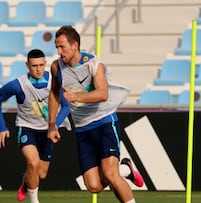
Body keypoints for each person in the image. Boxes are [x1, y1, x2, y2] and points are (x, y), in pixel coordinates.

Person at [47, 25, 144, 203]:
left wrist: (76, 96)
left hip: (104, 122)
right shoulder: (56, 67)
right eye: (57, 48)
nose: (59, 52)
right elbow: (53, 94)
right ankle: (126, 169)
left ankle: (121, 173)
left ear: (75, 45)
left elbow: (103, 94)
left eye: (62, 47)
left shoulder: (94, 64)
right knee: (94, 186)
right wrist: (52, 124)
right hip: (83, 129)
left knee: (110, 175)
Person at [0, 49, 70, 203]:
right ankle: (34, 200)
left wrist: (54, 126)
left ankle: (26, 181)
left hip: (47, 131)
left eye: (41, 65)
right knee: (33, 162)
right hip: (26, 127)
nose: (38, 69)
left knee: (40, 174)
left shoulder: (55, 81)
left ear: (45, 64)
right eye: (34, 65)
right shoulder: (18, 85)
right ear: (27, 65)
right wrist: (2, 127)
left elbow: (66, 107)